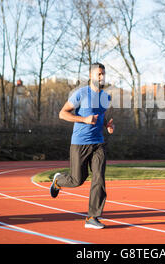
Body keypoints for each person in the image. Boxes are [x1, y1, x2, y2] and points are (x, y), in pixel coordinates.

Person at [50, 63, 114, 229]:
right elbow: (62, 113)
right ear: (91, 75)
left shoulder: (106, 97)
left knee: (99, 178)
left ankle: (92, 217)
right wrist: (84, 120)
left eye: (103, 74)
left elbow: (100, 117)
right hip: (80, 143)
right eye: (99, 74)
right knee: (77, 179)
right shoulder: (81, 94)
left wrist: (107, 125)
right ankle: (58, 180)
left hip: (98, 143)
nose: (102, 77)